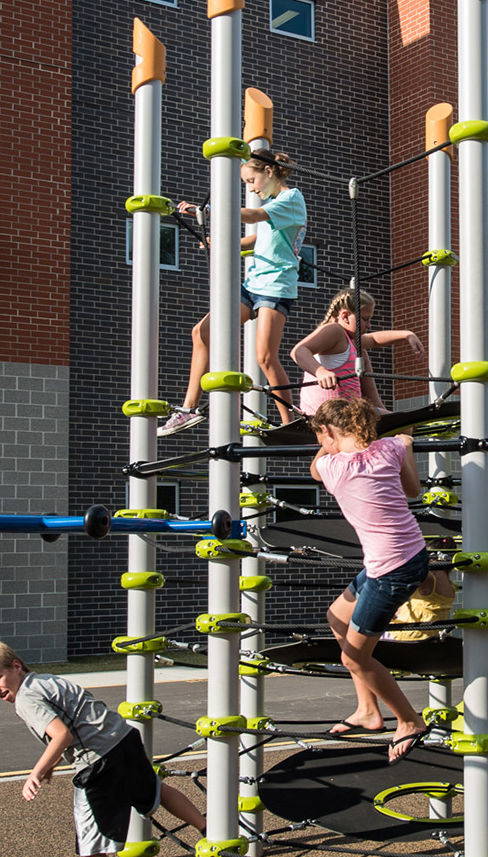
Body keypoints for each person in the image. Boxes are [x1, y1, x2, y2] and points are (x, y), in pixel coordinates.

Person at [0, 640, 206, 857]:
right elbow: (76, 721)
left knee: (91, 848)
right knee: (155, 791)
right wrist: (52, 764)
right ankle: (208, 828)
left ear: (16, 666)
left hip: (98, 763)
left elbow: (62, 735)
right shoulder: (47, 680)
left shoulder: (26, 697)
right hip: (124, 740)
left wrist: (36, 772)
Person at [308, 397, 435, 761]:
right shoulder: (392, 448)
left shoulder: (332, 467)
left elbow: (314, 469)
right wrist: (407, 444)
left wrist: (326, 442)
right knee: (337, 617)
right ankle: (367, 710)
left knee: (353, 658)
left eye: (320, 436)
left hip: (393, 569)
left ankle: (409, 721)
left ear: (328, 432)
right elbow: (414, 490)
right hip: (402, 555)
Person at [160, 148, 307, 434]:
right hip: (252, 285)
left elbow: (253, 215)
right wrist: (222, 242)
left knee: (265, 356)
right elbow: (259, 237)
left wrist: (208, 211)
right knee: (201, 332)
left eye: (251, 181)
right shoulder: (275, 203)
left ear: (269, 171)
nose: (250, 188)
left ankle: (290, 423)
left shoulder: (291, 199)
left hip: (276, 286)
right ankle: (189, 409)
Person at [291, 285, 424, 417]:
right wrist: (320, 371)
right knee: (404, 421)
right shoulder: (335, 330)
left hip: (346, 414)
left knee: (361, 353)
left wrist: (407, 334)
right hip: (327, 415)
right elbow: (299, 351)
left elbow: (374, 339)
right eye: (365, 319)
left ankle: (393, 420)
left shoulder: (352, 343)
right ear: (345, 317)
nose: (369, 325)